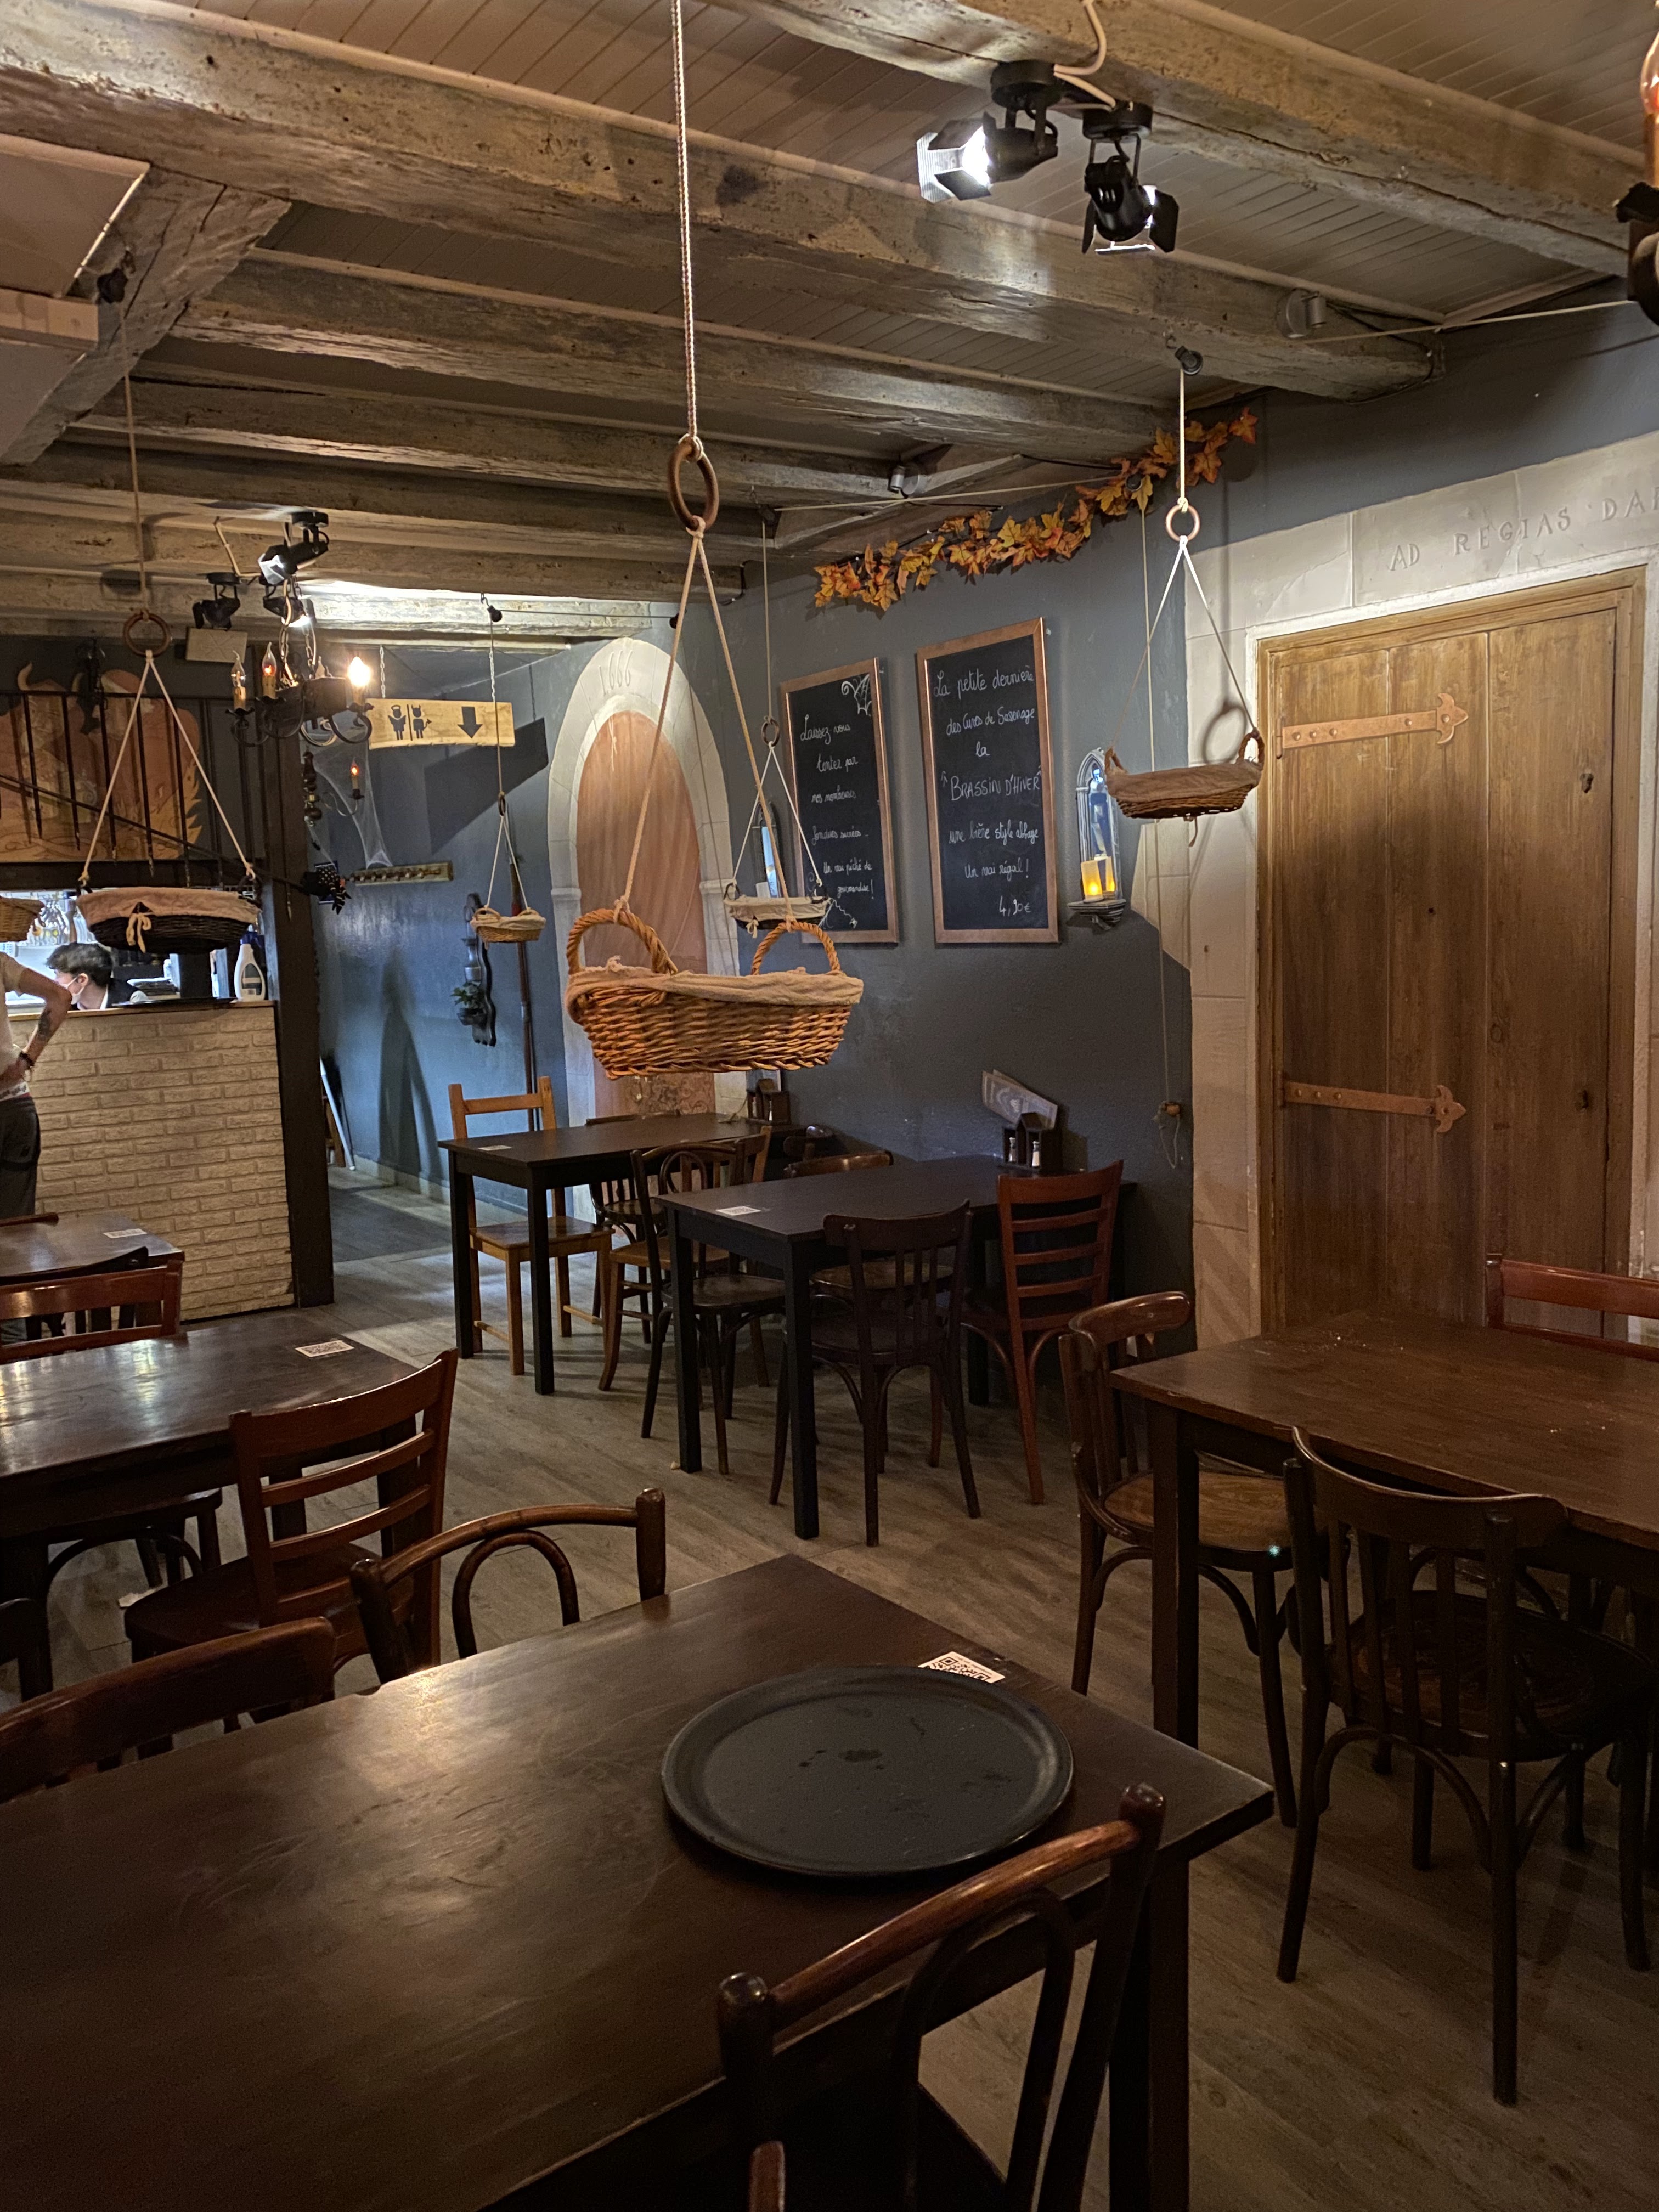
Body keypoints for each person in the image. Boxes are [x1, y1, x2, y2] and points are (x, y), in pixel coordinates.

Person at [0, 951, 72, 1220]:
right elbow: (61, 997)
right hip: (14, 1105)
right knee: (17, 1224)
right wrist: (25, 1061)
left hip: (14, 1109)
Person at [44, 939, 123, 1011]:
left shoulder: (128, 1004)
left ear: (82, 980)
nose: (55, 981)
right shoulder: (62, 1008)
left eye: (58, 975)